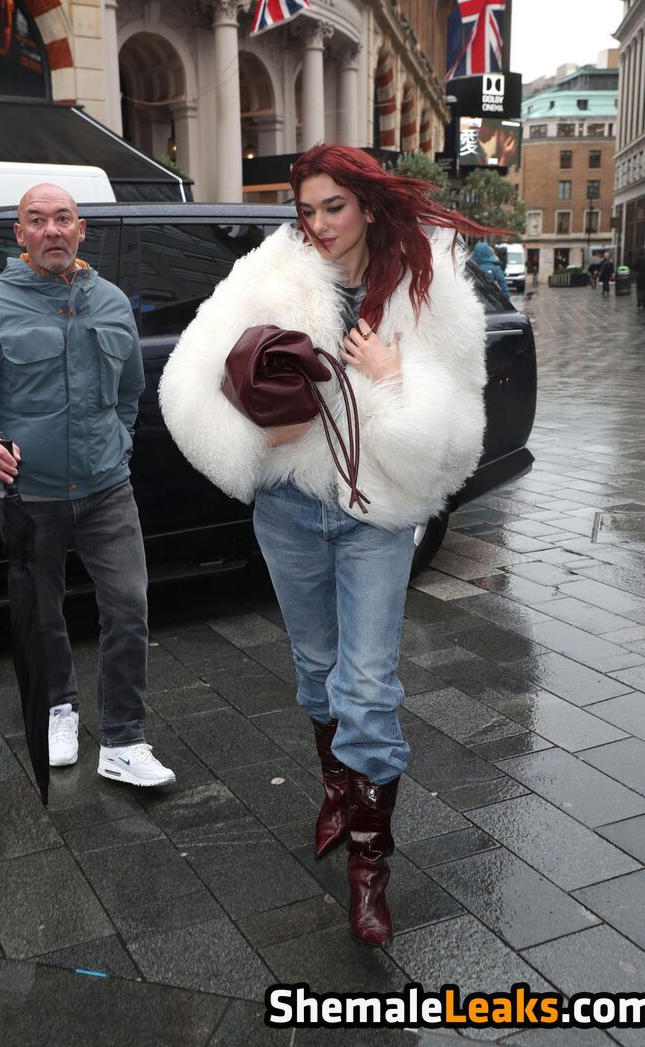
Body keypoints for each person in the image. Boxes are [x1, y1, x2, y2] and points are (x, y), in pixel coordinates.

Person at [159, 145, 487, 947]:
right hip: (290, 509)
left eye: (334, 207)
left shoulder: (429, 288)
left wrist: (393, 380)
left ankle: (370, 871)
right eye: (306, 210)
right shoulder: (268, 274)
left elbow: (458, 426)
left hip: (377, 514)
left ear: (367, 205)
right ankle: (337, 789)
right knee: (315, 671)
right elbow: (187, 381)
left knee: (366, 686)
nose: (319, 224)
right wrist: (260, 432)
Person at [0, 184, 175, 788]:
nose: (51, 230)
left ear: (81, 230)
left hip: (107, 489)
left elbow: (130, 390)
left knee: (128, 606)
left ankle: (124, 740)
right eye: (37, 220)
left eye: (62, 219)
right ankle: (58, 708)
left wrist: (119, 444)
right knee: (40, 612)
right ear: (20, 234)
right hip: (27, 494)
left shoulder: (111, 301)